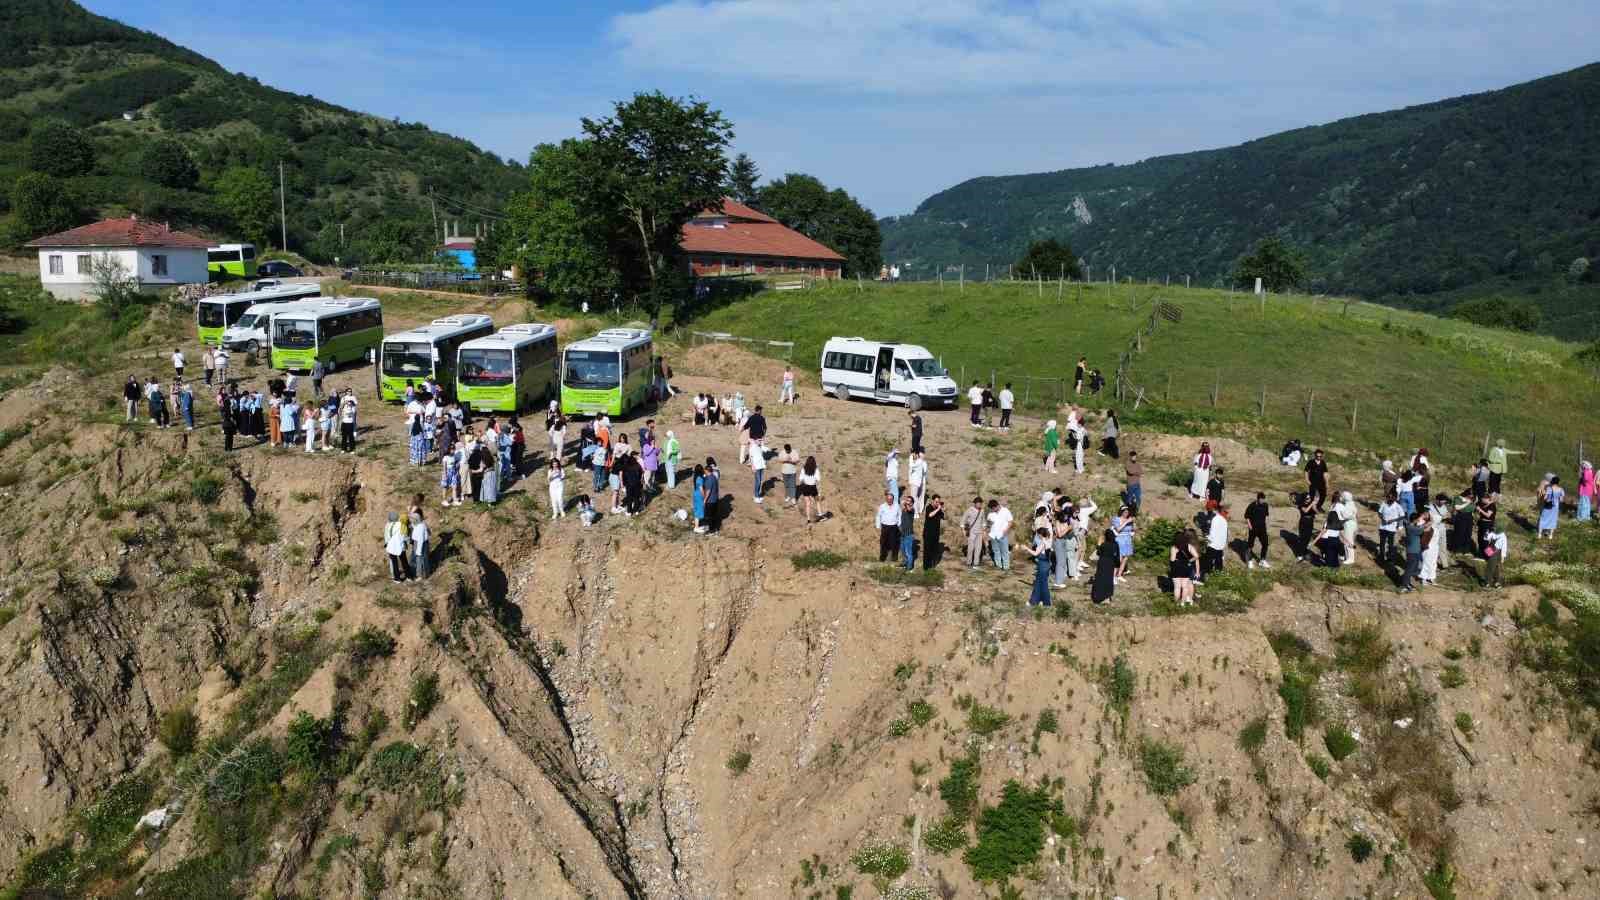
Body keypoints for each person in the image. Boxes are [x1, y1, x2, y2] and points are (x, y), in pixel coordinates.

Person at [1024, 526, 1052, 606]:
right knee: (1043, 584)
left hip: (1042, 566)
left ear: (1040, 535)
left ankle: (1034, 602)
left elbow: (1035, 554)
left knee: (1040, 584)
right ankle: (1043, 601)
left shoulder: (1042, 543)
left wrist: (1026, 548)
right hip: (1046, 565)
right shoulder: (1048, 541)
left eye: (1037, 534)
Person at [1170, 531, 1199, 606]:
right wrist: (1189, 560)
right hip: (1186, 567)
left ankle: (1176, 603)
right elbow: (1196, 556)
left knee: (1177, 587)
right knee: (1185, 587)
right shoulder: (1189, 546)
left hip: (1176, 568)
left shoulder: (1174, 547)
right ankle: (1183, 603)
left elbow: (1172, 560)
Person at [1052, 505, 1078, 587]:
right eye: (1065, 516)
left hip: (1063, 541)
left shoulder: (1065, 522)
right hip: (1058, 542)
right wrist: (1068, 528)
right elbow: (1059, 534)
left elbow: (1067, 533)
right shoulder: (1057, 522)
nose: (1067, 518)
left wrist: (1071, 530)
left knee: (1063, 561)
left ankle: (1060, 579)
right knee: (1060, 562)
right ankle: (1057, 582)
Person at [1091, 529, 1118, 604]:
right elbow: (1117, 556)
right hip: (1111, 563)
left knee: (1101, 580)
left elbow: (1098, 553)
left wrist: (1098, 545)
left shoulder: (1104, 545)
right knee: (1108, 580)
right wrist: (1117, 565)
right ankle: (1107, 597)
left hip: (1102, 563)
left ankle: (1099, 597)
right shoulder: (1116, 544)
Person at [1400, 513, 1426, 592]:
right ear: (1415, 520)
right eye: (1418, 519)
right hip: (1412, 551)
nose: (1419, 520)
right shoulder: (1411, 528)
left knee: (1413, 568)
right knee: (1409, 569)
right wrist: (1423, 523)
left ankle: (1407, 583)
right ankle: (1405, 585)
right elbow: (1421, 530)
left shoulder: (1411, 526)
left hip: (1415, 550)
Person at [1244, 492, 1271, 569]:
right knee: (1250, 545)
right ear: (1258, 498)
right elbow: (1246, 516)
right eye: (1261, 499)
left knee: (1265, 544)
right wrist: (1250, 526)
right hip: (1253, 528)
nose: (1262, 501)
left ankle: (1262, 560)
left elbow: (1266, 516)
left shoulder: (1265, 505)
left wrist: (1267, 525)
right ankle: (1249, 560)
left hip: (1262, 528)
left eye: (1263, 499)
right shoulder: (1252, 505)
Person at [1203, 504, 1229, 580]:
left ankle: (1207, 576)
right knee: (1218, 561)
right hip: (1220, 545)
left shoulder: (1215, 519)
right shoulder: (1224, 520)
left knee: (1209, 561)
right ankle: (1218, 576)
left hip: (1213, 544)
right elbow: (1225, 534)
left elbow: (1212, 533)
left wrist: (1207, 540)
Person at [1377, 491, 1404, 565]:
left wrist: (1393, 520)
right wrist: (1382, 519)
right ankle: (1381, 557)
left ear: (1395, 498)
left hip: (1391, 529)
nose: (1389, 498)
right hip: (1383, 527)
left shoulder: (1397, 506)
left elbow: (1402, 516)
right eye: (1388, 497)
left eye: (1391, 497)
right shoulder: (1384, 504)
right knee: (1382, 543)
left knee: (1390, 544)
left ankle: (1390, 558)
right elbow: (1379, 512)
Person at [986, 499, 1013, 571]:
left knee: (1005, 551)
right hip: (993, 535)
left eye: (993, 508)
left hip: (1002, 535)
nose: (992, 510)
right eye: (991, 508)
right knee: (996, 551)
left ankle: (1006, 567)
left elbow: (1010, 522)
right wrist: (988, 528)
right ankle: (998, 565)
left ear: (997, 505)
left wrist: (1006, 530)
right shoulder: (990, 513)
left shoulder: (1005, 511)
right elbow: (988, 524)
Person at [385, 512, 412, 582]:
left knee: (394, 563)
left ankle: (397, 578)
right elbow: (405, 536)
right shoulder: (401, 525)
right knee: (404, 561)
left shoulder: (387, 525)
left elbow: (386, 536)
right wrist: (407, 541)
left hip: (391, 546)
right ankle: (409, 576)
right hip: (400, 546)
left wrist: (386, 544)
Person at [1112, 506, 1135, 583]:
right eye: (1125, 512)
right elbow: (1118, 529)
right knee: (1119, 558)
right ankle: (1113, 576)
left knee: (1125, 558)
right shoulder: (1116, 519)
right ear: (1121, 512)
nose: (1126, 513)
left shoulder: (1129, 520)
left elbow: (1133, 529)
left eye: (1127, 512)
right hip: (1120, 539)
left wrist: (1133, 523)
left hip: (1127, 539)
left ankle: (1119, 575)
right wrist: (1126, 522)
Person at [1334, 491, 1359, 558]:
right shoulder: (1351, 504)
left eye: (1342, 496)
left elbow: (1346, 515)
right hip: (1352, 524)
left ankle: (1350, 558)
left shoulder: (1348, 505)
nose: (1341, 498)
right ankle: (1348, 556)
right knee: (1348, 540)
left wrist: (1341, 513)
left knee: (1348, 541)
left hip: (1349, 524)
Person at [798, 456, 822, 524]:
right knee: (817, 501)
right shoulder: (816, 469)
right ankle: (820, 515)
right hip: (813, 487)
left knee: (807, 503)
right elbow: (818, 479)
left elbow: (800, 479)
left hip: (805, 487)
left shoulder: (804, 469)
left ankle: (808, 519)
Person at [1419, 510, 1441, 585]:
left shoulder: (1437, 528)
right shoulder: (1427, 526)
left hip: (1435, 548)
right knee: (1426, 562)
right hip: (1428, 547)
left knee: (1433, 563)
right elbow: (1420, 524)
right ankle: (1424, 578)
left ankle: (1432, 578)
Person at [923, 494, 945, 570]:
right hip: (928, 533)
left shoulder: (938, 510)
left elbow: (943, 517)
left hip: (936, 534)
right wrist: (938, 509)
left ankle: (932, 566)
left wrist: (942, 509)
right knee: (927, 550)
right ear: (933, 501)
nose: (937, 503)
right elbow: (930, 515)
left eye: (938, 502)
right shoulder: (929, 507)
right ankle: (926, 568)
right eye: (936, 502)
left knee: (934, 551)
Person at [1295, 491, 1317, 561]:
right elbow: (1305, 511)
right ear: (1304, 499)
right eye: (1307, 498)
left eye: (1309, 498)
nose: (1309, 500)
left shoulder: (1310, 504)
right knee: (1302, 539)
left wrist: (1314, 506)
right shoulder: (1301, 505)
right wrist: (1311, 504)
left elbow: (1317, 512)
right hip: (1304, 523)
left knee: (1308, 538)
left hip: (1310, 522)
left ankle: (1304, 552)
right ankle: (1300, 554)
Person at [701, 458, 721, 533]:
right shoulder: (714, 477)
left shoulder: (709, 479)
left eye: (705, 471)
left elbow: (708, 491)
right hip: (715, 499)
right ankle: (715, 529)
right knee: (714, 516)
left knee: (709, 516)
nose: (704, 472)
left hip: (710, 501)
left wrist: (704, 500)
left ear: (707, 471)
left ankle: (711, 530)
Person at [440, 440, 462, 506]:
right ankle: (444, 500)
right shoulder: (445, 457)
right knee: (445, 487)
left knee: (454, 486)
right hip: (447, 473)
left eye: (454, 449)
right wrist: (445, 475)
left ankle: (455, 500)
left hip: (454, 472)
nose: (453, 450)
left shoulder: (454, 456)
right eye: (451, 449)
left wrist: (457, 471)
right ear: (448, 450)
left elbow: (455, 464)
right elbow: (444, 467)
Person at [410, 510, 431, 579]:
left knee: (421, 559)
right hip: (418, 543)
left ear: (416, 520)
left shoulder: (420, 527)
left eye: (412, 519)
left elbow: (420, 540)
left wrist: (418, 551)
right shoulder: (418, 524)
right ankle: (420, 573)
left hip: (421, 544)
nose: (411, 520)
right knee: (420, 559)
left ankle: (421, 575)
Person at [907, 450, 928, 517]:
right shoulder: (918, 462)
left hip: (916, 482)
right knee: (914, 497)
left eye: (914, 454)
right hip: (915, 482)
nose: (914, 455)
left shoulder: (919, 462)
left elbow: (911, 465)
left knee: (914, 497)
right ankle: (916, 511)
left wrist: (910, 457)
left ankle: (916, 512)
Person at [899, 495, 917, 570]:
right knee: (903, 551)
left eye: (909, 501)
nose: (907, 502)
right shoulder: (903, 510)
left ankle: (909, 567)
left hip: (909, 535)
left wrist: (905, 503)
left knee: (908, 552)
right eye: (907, 500)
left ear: (912, 503)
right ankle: (904, 563)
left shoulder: (912, 509)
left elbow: (909, 509)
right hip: (902, 534)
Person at [750, 439, 767, 504]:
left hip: (761, 466)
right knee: (758, 481)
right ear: (755, 440)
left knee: (760, 481)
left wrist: (762, 444)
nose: (760, 441)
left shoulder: (760, 447)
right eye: (759, 440)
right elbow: (751, 457)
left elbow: (766, 451)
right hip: (756, 467)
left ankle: (757, 495)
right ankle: (756, 496)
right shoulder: (753, 447)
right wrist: (753, 466)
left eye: (761, 440)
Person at [691, 464, 707, 533]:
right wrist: (704, 497)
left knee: (697, 509)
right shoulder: (699, 479)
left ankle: (697, 525)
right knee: (698, 511)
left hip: (696, 494)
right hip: (699, 496)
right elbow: (701, 489)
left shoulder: (696, 477)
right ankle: (696, 527)